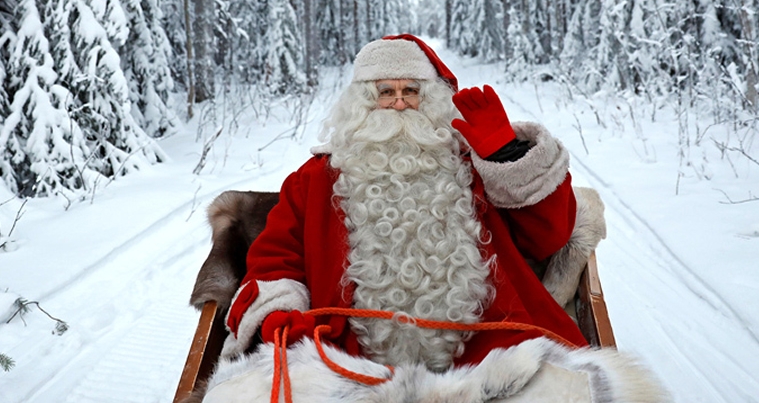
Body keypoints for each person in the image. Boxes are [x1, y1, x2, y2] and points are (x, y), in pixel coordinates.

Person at [220, 34, 605, 373]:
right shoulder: (316, 178)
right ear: (363, 103)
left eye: (412, 91)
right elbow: (276, 258)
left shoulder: (472, 165)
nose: (400, 103)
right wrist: (282, 314)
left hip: (489, 353)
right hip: (348, 360)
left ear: (431, 99)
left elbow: (548, 238)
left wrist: (507, 158)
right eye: (386, 92)